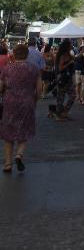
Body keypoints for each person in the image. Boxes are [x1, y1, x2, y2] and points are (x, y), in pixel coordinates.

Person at [0, 42, 42, 173]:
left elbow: (0, 87)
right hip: (27, 102)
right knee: (25, 129)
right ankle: (19, 154)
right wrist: (35, 99)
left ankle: (7, 164)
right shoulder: (34, 69)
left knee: (8, 133)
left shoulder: (7, 69)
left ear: (13, 55)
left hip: (10, 103)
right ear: (27, 55)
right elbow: (39, 89)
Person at [55, 39, 75, 121]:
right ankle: (59, 115)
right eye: (70, 44)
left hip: (68, 78)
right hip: (62, 78)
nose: (71, 45)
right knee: (61, 98)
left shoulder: (69, 54)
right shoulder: (62, 55)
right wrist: (69, 63)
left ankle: (64, 112)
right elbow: (60, 68)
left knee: (72, 95)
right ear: (67, 46)